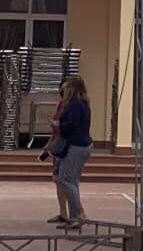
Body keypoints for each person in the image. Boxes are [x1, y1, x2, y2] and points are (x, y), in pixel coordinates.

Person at [53, 76, 93, 227]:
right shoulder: (83, 103)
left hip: (76, 146)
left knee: (64, 179)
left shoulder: (75, 104)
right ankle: (74, 217)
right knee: (73, 181)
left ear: (71, 89)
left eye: (66, 87)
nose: (63, 90)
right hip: (83, 145)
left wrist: (59, 125)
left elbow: (71, 125)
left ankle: (79, 213)